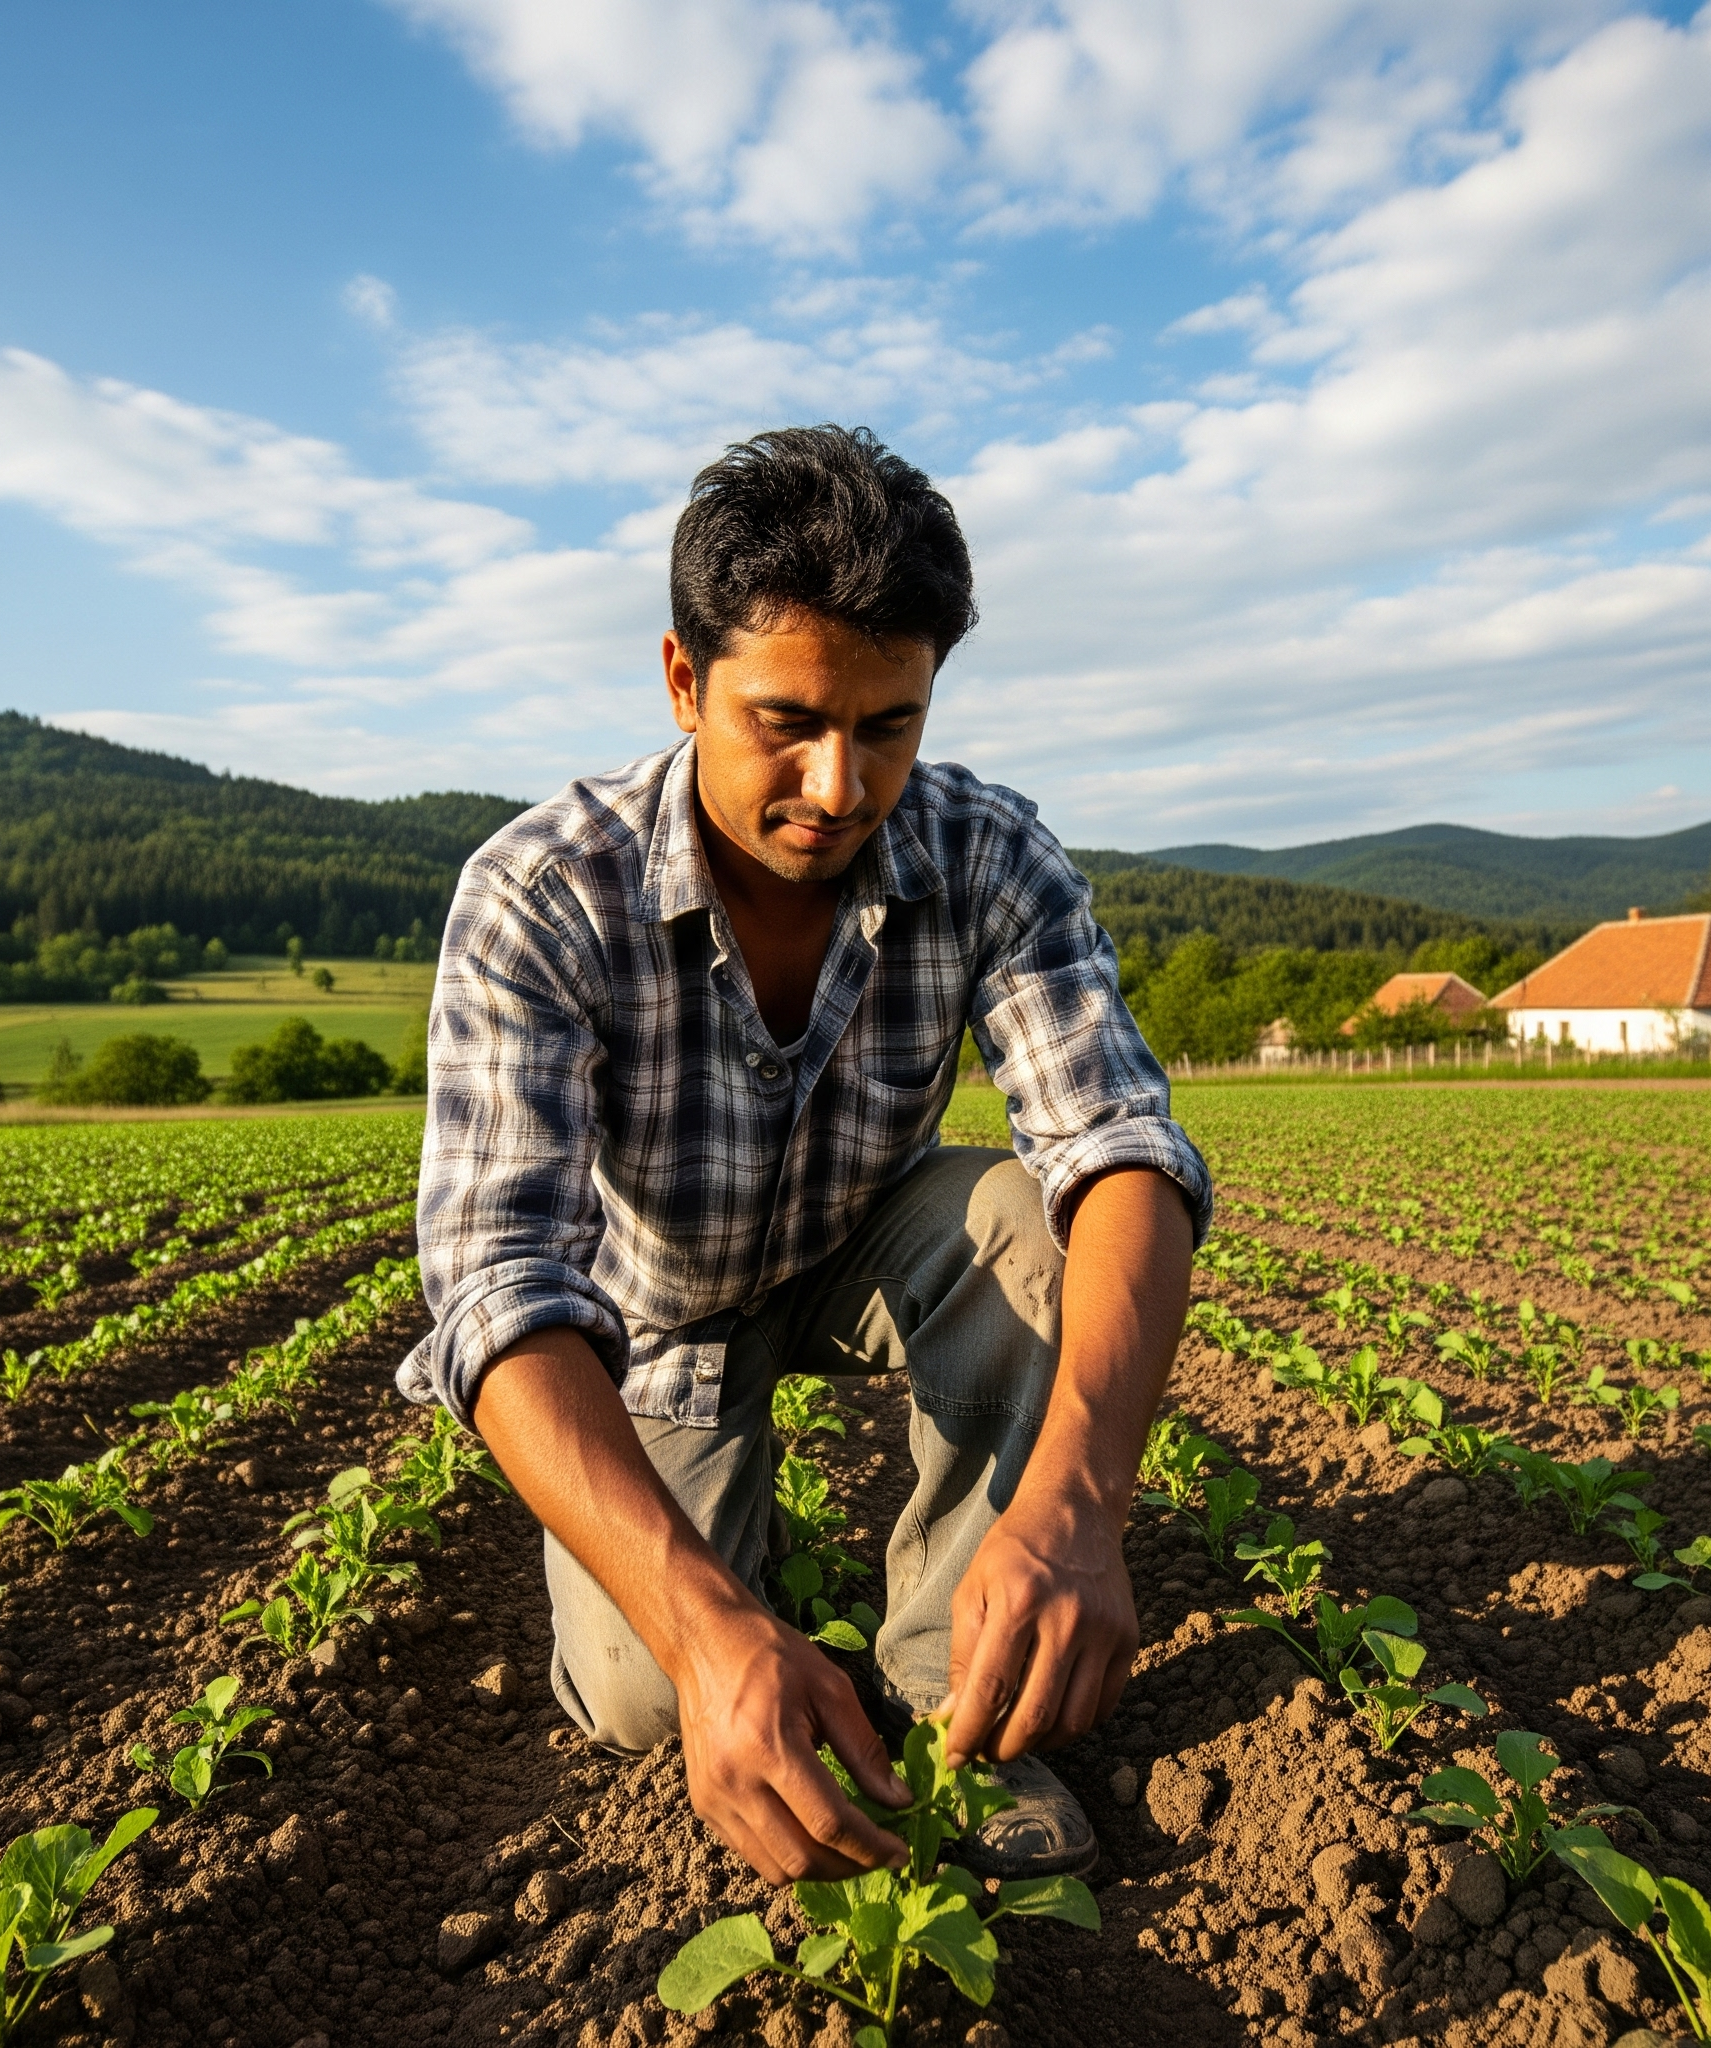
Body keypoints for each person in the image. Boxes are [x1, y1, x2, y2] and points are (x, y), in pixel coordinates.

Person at [399, 424, 1210, 1886]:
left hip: (857, 1247)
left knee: (1033, 1216)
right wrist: (707, 1634)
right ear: (681, 680)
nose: (840, 784)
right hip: (652, 1319)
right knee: (654, 1698)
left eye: (889, 725)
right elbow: (496, 1284)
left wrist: (1083, 1505)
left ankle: (961, 1694)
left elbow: (1123, 1146)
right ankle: (737, 1607)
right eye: (787, 718)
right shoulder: (543, 893)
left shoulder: (987, 856)